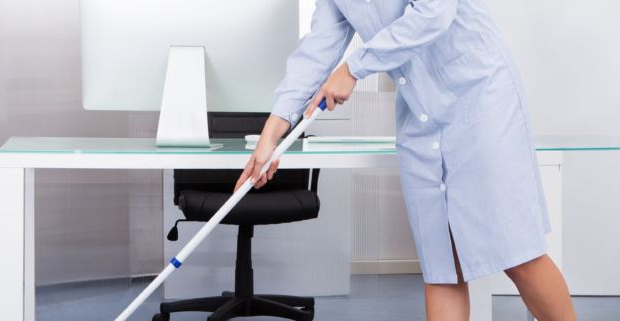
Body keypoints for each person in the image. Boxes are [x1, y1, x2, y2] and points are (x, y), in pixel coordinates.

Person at [235, 1, 577, 320]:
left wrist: (354, 67)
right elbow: (317, 50)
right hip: (419, 116)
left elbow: (433, 12)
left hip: (480, 98)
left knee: (518, 254)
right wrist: (270, 136)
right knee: (441, 268)